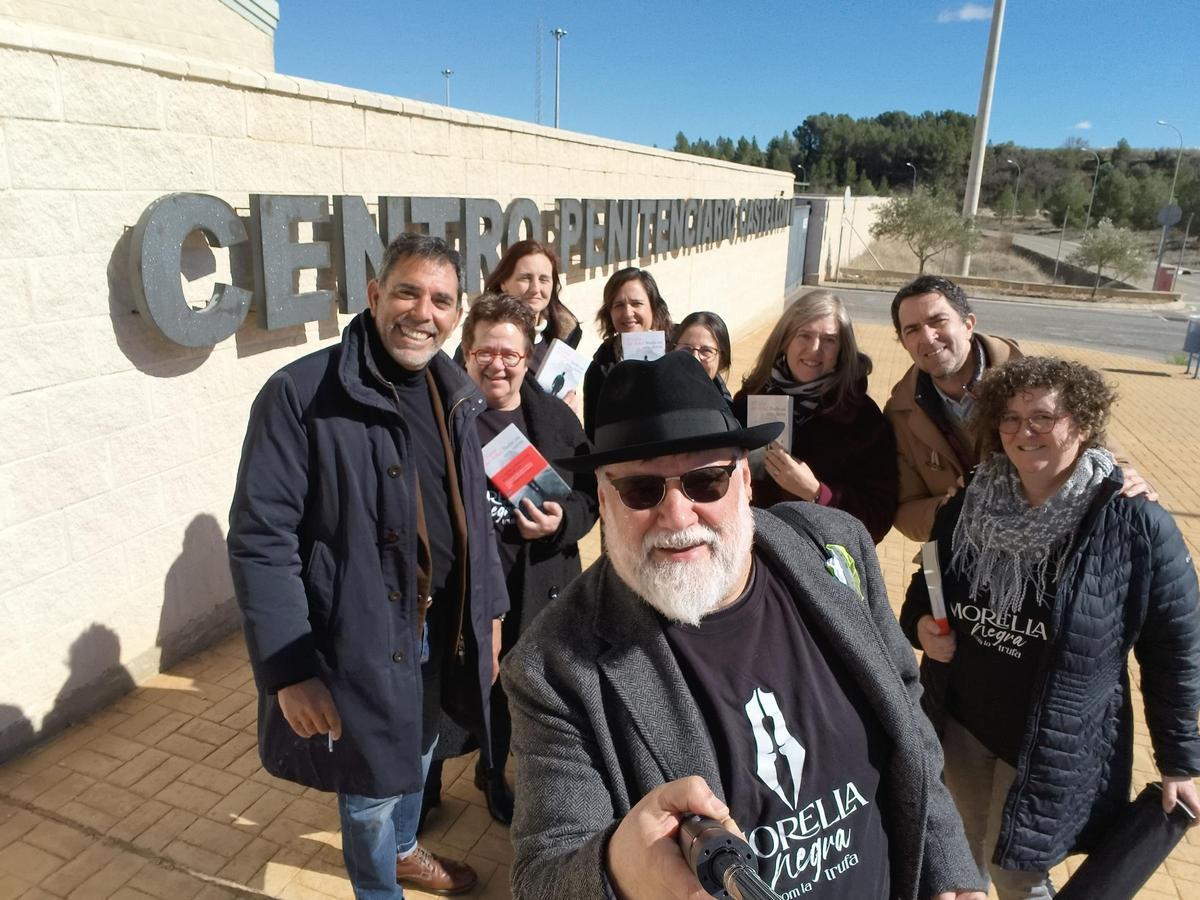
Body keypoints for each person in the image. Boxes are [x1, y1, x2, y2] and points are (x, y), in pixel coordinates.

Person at [502, 352, 986, 900]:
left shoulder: (836, 545)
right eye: (641, 491)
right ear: (606, 502)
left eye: (705, 482)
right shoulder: (555, 665)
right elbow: (542, 878)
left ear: (746, 482)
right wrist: (618, 869)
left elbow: (905, 704)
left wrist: (949, 867)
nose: (678, 516)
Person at [228, 234, 507, 899]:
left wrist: (490, 611)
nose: (423, 312)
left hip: (443, 627)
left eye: (441, 299)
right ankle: (377, 889)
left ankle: (405, 852)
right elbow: (261, 539)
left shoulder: (454, 392)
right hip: (359, 637)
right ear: (376, 295)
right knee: (369, 786)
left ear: (456, 311)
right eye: (407, 291)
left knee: (416, 752)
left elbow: (472, 508)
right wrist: (289, 671)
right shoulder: (300, 395)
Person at [899, 356, 1200, 899]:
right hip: (962, 721)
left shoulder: (1132, 521)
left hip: (1052, 739)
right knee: (957, 854)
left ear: (1081, 426)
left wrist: (1179, 761)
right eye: (1010, 418)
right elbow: (926, 588)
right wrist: (921, 626)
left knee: (1018, 872)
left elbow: (1173, 649)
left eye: (1043, 417)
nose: (1023, 432)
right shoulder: (970, 501)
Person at [459, 291, 599, 825]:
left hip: (540, 584)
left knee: (534, 689)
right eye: (485, 353)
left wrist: (562, 522)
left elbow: (591, 497)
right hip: (472, 590)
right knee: (477, 690)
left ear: (526, 358)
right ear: (467, 353)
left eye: (510, 355)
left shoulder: (556, 422)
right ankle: (487, 772)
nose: (497, 364)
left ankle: (513, 771)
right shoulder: (445, 421)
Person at [885, 274, 1152, 541]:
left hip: (1057, 544)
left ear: (968, 324)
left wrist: (1124, 475)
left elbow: (1096, 444)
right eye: (912, 330)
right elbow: (905, 509)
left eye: (938, 321)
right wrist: (959, 509)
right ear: (904, 342)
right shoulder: (900, 412)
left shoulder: (1037, 381)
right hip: (960, 554)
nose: (928, 337)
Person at [732, 290, 897, 543]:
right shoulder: (749, 399)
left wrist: (817, 493)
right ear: (785, 339)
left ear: (842, 349)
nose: (815, 350)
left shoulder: (863, 419)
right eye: (804, 336)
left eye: (829, 340)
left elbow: (877, 519)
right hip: (756, 553)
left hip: (819, 562)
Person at [582, 266, 674, 439]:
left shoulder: (679, 348)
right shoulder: (599, 367)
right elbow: (593, 433)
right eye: (618, 305)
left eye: (636, 304)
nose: (627, 313)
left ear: (653, 307)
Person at [483, 239, 581, 373]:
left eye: (543, 279)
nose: (535, 288)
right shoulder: (481, 338)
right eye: (525, 278)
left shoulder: (562, 338)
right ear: (504, 283)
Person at [673, 310, 734, 408]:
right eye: (686, 349)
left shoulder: (728, 414)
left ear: (722, 360)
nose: (695, 358)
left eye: (706, 351)